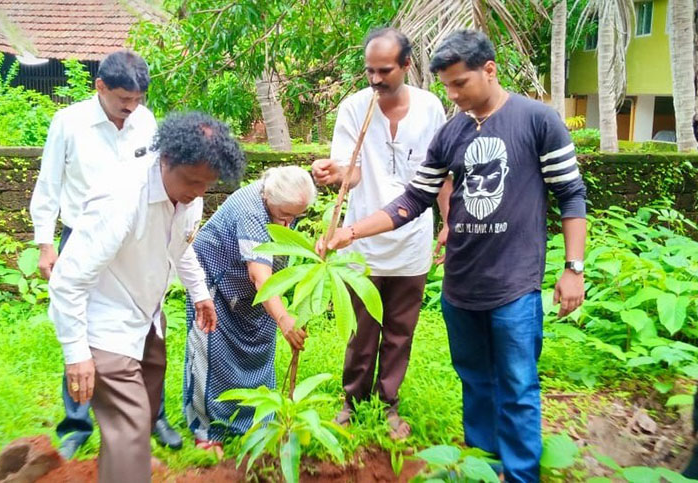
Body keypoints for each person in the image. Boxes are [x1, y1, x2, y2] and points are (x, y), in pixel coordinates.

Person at [322, 29, 587, 482]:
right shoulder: (452, 132)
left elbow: (571, 194)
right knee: (474, 379)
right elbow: (413, 199)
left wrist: (573, 268)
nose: (453, 95)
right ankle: (483, 466)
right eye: (446, 86)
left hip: (515, 284)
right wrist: (350, 231)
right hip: (461, 284)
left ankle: (520, 474)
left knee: (517, 385)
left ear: (490, 70)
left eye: (460, 83)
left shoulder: (538, 121)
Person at [48, 111, 245, 482]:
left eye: (207, 184)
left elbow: (180, 246)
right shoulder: (121, 198)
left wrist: (200, 292)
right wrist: (76, 353)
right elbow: (67, 281)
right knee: (130, 424)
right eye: (193, 181)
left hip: (148, 314)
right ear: (165, 159)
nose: (199, 192)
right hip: (105, 322)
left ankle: (125, 465)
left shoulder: (188, 196)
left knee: (145, 409)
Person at [30, 50, 182, 456]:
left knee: (149, 326)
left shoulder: (145, 122)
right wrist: (45, 244)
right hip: (84, 237)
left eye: (138, 99)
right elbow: (48, 184)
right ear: (100, 86)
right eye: (123, 99)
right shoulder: (69, 123)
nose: (131, 107)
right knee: (80, 326)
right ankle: (76, 425)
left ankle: (154, 415)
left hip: (136, 239)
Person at [311, 27, 448, 440]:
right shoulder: (355, 108)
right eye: (369, 70)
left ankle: (389, 403)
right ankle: (351, 401)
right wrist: (334, 173)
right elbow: (351, 173)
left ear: (406, 64)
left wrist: (449, 223)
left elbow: (442, 176)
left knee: (400, 331)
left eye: (384, 70)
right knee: (361, 331)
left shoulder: (430, 108)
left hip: (413, 241)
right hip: (361, 243)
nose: (375, 79)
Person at [183, 166, 314, 456]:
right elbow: (260, 277)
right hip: (217, 283)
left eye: (296, 216)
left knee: (258, 355)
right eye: (285, 215)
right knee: (213, 356)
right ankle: (208, 431)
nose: (289, 223)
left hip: (256, 295)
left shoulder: (280, 206)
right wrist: (283, 318)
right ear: (269, 197)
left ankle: (255, 424)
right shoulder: (251, 211)